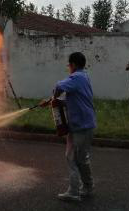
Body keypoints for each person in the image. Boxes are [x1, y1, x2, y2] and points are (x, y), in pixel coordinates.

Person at [39, 52, 96, 202]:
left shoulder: (76, 77)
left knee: (73, 158)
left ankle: (74, 192)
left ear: (74, 65)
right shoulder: (84, 77)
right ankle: (88, 188)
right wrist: (53, 101)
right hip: (82, 124)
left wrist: (54, 98)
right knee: (81, 158)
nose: (68, 68)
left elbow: (59, 86)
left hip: (81, 125)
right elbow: (74, 100)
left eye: (68, 65)